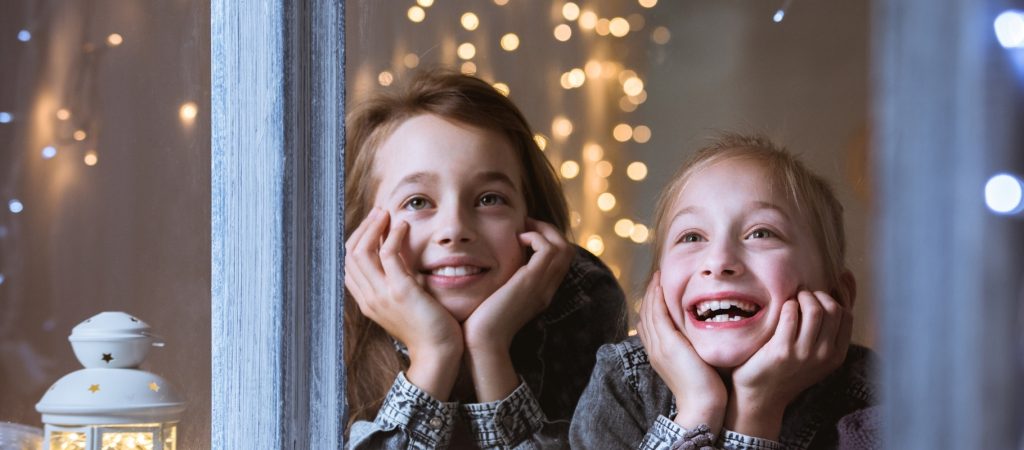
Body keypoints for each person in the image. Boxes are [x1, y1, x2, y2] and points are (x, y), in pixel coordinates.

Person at [344, 69, 627, 449]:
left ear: (532, 218)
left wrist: (489, 348)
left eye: (489, 199)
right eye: (417, 202)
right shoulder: (328, 333)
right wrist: (434, 354)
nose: (455, 228)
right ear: (366, 232)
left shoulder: (582, 301)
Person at [570, 134, 879, 449]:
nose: (718, 262)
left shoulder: (878, 402)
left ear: (837, 296)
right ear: (657, 286)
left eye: (761, 233)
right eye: (691, 237)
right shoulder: (624, 382)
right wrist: (697, 410)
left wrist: (757, 408)